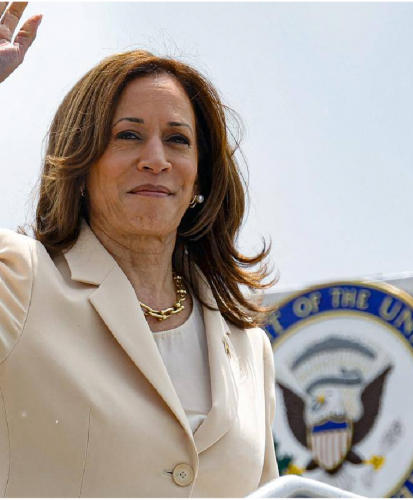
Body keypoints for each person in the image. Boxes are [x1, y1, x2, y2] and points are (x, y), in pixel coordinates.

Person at [0, 2, 279, 498]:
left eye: (177, 140)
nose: (155, 159)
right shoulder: (20, 280)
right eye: (128, 136)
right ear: (80, 162)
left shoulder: (249, 348)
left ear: (201, 177)